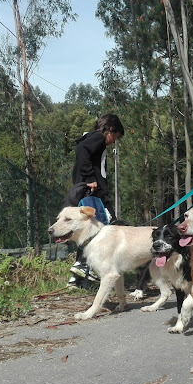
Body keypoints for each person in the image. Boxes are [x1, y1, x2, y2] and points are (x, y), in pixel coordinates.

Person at [65, 113, 125, 288]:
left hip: (89, 192)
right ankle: (86, 266)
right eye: (116, 136)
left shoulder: (91, 138)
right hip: (94, 194)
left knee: (87, 231)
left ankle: (76, 279)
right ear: (110, 130)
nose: (115, 140)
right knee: (104, 229)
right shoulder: (98, 138)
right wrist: (90, 178)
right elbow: (82, 150)